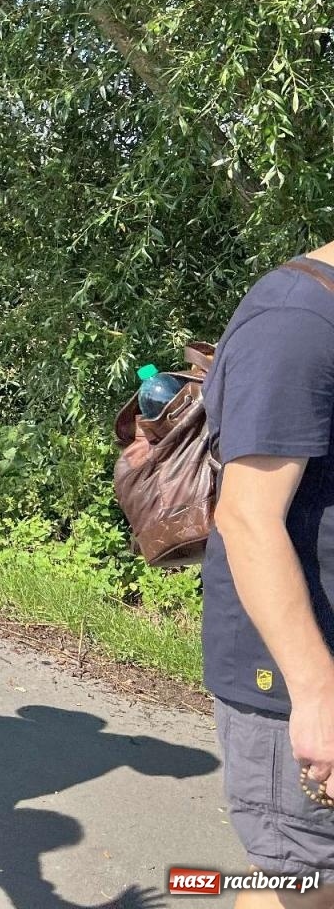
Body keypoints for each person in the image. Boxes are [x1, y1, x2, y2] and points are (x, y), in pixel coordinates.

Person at [203, 242, 334, 905]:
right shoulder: (297, 321)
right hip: (298, 678)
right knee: (303, 881)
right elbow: (248, 518)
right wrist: (317, 696)